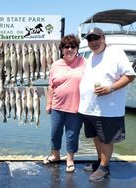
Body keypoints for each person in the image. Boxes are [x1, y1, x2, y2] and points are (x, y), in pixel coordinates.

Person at [78, 27, 135, 181]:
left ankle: (104, 168)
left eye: (96, 37)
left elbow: (130, 75)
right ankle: (100, 161)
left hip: (107, 110)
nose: (93, 41)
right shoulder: (91, 56)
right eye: (90, 39)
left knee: (106, 139)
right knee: (96, 137)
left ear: (103, 38)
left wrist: (110, 88)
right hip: (90, 109)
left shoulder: (115, 52)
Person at [43, 34, 86, 173]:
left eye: (73, 46)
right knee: (55, 133)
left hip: (76, 107)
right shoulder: (56, 65)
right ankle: (55, 155)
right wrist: (48, 103)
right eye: (66, 46)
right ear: (62, 49)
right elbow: (51, 86)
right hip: (57, 106)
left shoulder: (84, 62)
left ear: (77, 49)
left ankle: (70, 159)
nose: (70, 49)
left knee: (72, 134)